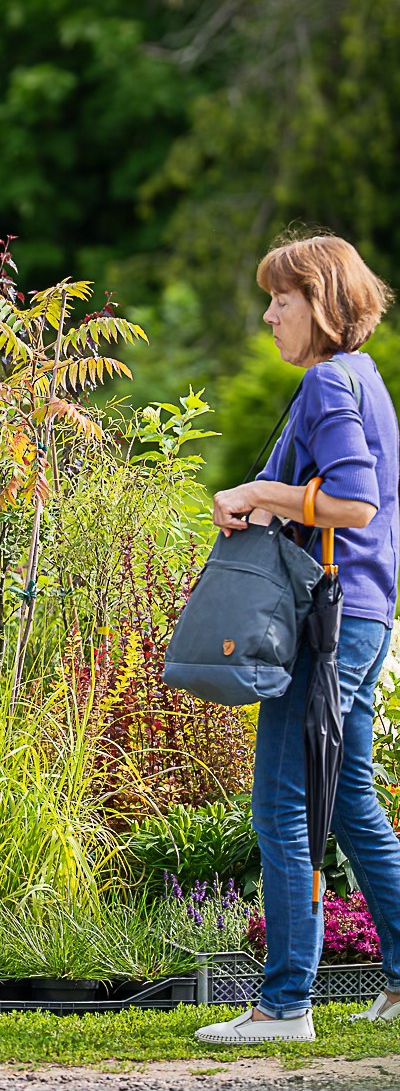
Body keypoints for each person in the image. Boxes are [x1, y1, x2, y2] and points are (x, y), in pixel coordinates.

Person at [198, 234, 400, 1044]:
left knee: (282, 800)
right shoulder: (367, 380)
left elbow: (354, 505)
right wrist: (276, 502)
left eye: (281, 298)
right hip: (368, 614)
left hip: (327, 621)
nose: (268, 313)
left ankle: (284, 1004)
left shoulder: (325, 380)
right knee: (349, 800)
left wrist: (254, 489)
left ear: (319, 301)